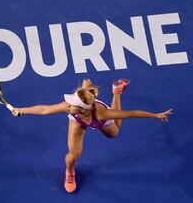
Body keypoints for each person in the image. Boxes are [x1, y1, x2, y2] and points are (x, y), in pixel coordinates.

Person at [11, 79, 173, 193]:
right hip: (78, 123)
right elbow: (44, 109)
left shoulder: (102, 113)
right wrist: (21, 110)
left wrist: (155, 115)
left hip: (98, 121)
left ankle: (116, 92)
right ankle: (70, 172)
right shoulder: (70, 108)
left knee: (114, 133)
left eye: (73, 105)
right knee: (73, 155)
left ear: (83, 109)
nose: (69, 105)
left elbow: (130, 114)